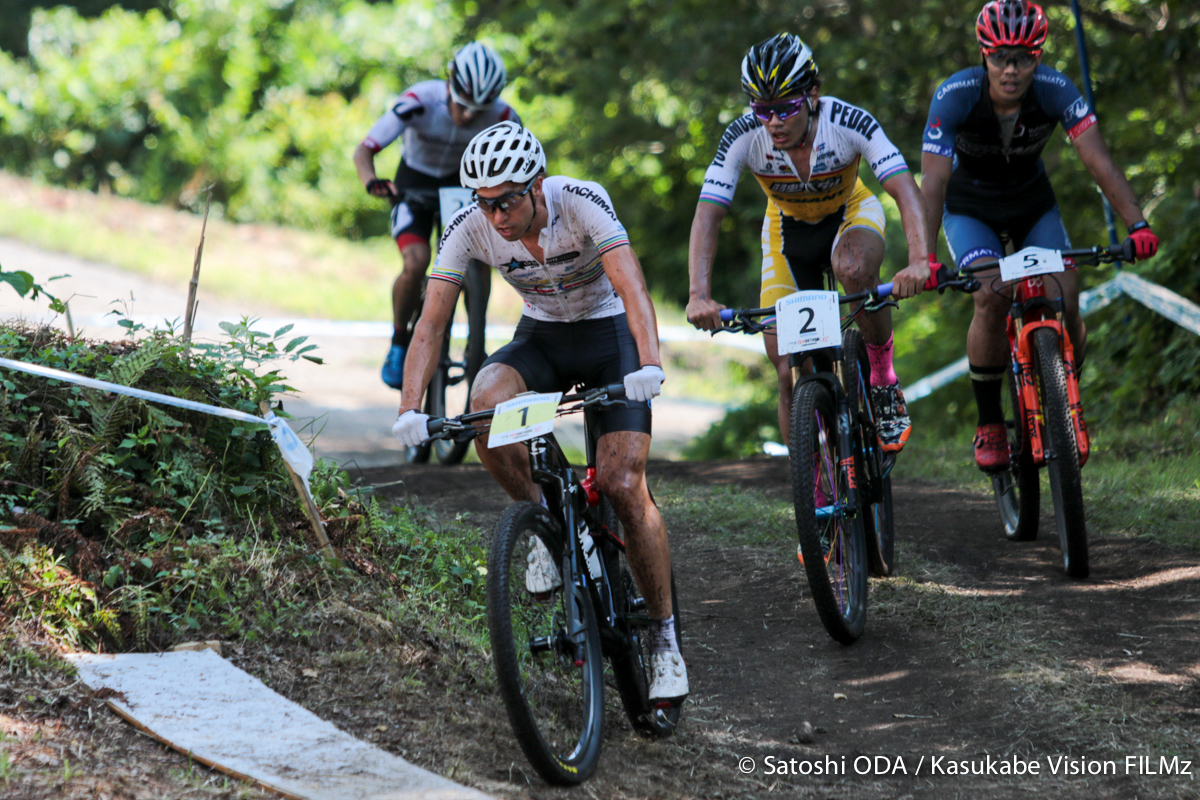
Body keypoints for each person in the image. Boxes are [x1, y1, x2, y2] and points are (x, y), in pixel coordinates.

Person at [390, 122, 688, 705]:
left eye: (507, 201)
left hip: (609, 337)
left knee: (624, 483)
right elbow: (432, 320)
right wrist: (409, 407)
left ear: (538, 184)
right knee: (484, 406)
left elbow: (632, 287)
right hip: (545, 337)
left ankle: (664, 637)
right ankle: (545, 524)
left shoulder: (581, 200)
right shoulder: (471, 225)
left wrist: (647, 362)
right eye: (485, 203)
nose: (496, 216)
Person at [921, 0, 1159, 471]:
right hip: (971, 209)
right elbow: (934, 182)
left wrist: (1138, 224)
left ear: (1039, 56)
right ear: (983, 54)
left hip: (1033, 205)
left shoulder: (1055, 88)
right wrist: (922, 256)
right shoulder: (955, 94)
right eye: (999, 58)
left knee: (1067, 297)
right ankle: (990, 422)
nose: (1011, 70)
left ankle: (1063, 388)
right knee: (990, 297)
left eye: (1024, 58)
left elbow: (1098, 161)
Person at [686, 33, 932, 452]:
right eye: (762, 109)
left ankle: (883, 379)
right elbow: (709, 213)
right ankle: (813, 489)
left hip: (848, 214)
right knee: (785, 365)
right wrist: (698, 294)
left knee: (853, 270)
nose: (773, 122)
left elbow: (906, 190)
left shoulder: (847, 122)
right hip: (787, 229)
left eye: (785, 107)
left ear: (812, 94)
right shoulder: (745, 135)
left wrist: (919, 260)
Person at [353, 41, 520, 389]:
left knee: (480, 260)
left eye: (480, 108)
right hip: (413, 188)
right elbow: (365, 150)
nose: (470, 116)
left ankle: (477, 344)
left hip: (463, 190)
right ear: (449, 83)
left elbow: (529, 166)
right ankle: (400, 340)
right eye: (463, 104)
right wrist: (372, 182)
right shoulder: (419, 100)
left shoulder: (505, 116)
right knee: (416, 262)